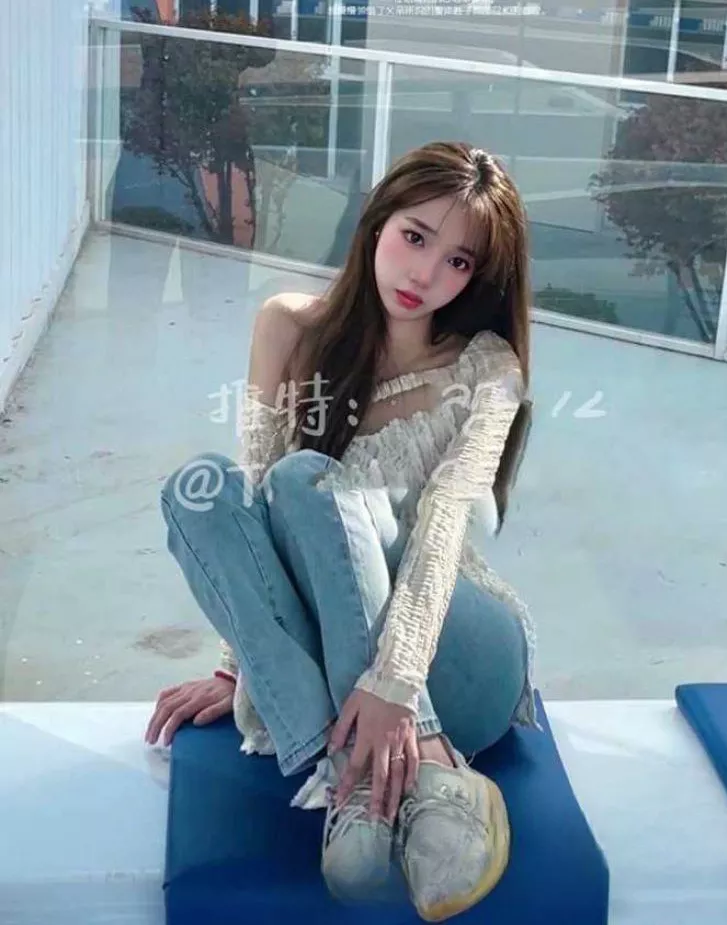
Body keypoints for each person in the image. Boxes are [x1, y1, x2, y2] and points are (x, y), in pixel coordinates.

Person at [145, 140, 538, 922]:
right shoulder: (288, 327)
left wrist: (397, 685)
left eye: (458, 261)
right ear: (376, 221)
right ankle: (353, 775)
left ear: (478, 278)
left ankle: (426, 754)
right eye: (414, 236)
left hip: (458, 648)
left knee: (306, 478)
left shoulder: (486, 369)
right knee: (201, 490)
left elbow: (442, 527)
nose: (424, 273)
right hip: (342, 667)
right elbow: (255, 501)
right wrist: (238, 661)